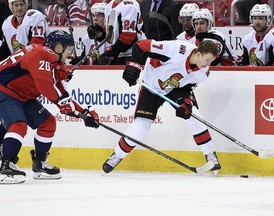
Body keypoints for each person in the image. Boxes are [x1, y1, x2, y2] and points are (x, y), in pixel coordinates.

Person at [102, 39, 221, 175]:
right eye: (207, 60)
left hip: (175, 88)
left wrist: (185, 103)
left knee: (193, 116)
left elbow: (187, 88)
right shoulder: (176, 49)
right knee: (141, 126)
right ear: (198, 54)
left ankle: (210, 155)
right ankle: (116, 156)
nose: (208, 64)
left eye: (210, 61)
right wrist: (133, 66)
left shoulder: (203, 73)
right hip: (151, 86)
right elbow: (142, 46)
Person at [0, 30, 100, 184]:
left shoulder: (54, 63)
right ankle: (6, 166)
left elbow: (62, 93)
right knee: (18, 124)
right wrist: (62, 103)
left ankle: (39, 164)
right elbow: (45, 87)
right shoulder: (41, 53)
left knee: (48, 123)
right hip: (5, 91)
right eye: (68, 49)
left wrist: (84, 113)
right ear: (58, 47)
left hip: (22, 95)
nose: (69, 54)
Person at [96, 0, 144, 65]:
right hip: (118, 54)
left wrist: (111, 52)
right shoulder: (110, 5)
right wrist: (100, 34)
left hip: (131, 55)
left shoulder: (129, 5)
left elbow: (128, 37)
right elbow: (111, 33)